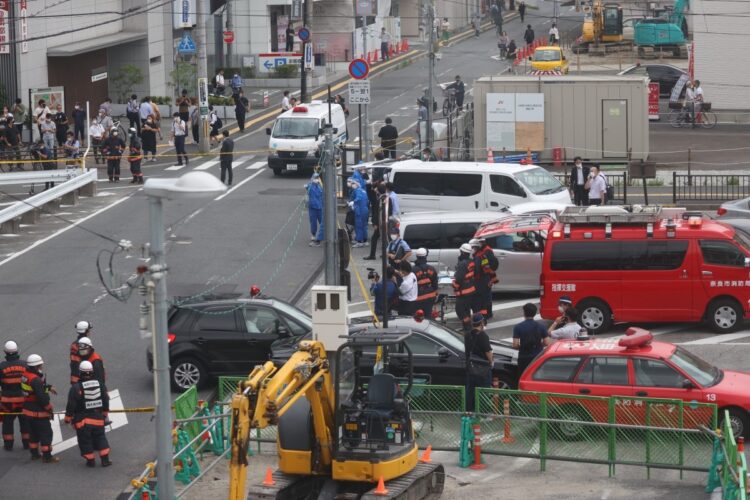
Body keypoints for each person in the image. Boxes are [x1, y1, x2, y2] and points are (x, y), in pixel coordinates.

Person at [64, 360, 111, 468]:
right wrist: (105, 413)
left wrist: (67, 418)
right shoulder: (100, 385)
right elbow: (105, 399)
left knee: (85, 440)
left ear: (80, 372)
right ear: (92, 372)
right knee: (100, 437)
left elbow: (71, 404)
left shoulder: (76, 388)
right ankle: (105, 460)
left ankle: (90, 461)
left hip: (82, 420)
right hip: (98, 418)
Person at [21, 354, 58, 463]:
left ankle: (34, 454)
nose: (42, 366)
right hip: (38, 412)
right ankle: (47, 457)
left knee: (33, 434)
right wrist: (48, 407)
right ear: (37, 366)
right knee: (46, 434)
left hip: (28, 410)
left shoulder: (25, 375)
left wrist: (49, 387)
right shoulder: (35, 379)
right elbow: (40, 395)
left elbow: (34, 390)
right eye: (40, 364)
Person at [0, 341, 30, 451]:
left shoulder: (1, 367)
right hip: (23, 400)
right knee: (25, 421)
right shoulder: (25, 365)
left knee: (7, 422)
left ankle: (8, 445)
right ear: (17, 351)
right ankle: (27, 443)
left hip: (7, 401)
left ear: (5, 352)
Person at [465, 313, 492, 412]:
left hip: (471, 367)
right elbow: (488, 352)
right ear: (481, 323)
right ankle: (483, 412)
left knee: (470, 390)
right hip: (482, 368)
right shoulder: (483, 335)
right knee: (484, 390)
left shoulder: (467, 335)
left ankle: (469, 411)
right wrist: (491, 362)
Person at [513, 303, 549, 374]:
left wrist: (522, 346)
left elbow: (515, 345)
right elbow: (546, 342)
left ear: (524, 313)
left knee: (524, 376)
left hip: (524, 357)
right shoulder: (541, 326)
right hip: (538, 356)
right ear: (535, 313)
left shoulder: (518, 327)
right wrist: (539, 345)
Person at [471, 238, 499, 320]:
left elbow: (479, 269)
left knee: (483, 298)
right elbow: (485, 265)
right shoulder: (482, 253)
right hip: (486, 277)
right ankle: (488, 314)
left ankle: (486, 315)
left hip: (483, 279)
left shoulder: (484, 252)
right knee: (486, 297)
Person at [453, 243, 477, 332]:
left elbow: (459, 278)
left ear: (462, 252)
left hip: (464, 291)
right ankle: (467, 327)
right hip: (470, 289)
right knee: (466, 310)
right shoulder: (471, 261)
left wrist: (454, 285)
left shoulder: (463, 264)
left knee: (460, 310)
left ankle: (468, 328)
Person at [413, 248, 438, 315]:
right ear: (425, 256)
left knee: (418, 317)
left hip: (418, 298)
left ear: (417, 256)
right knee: (428, 316)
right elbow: (435, 285)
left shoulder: (413, 270)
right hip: (430, 297)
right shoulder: (431, 269)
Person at [306, 172, 324, 246]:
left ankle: (322, 236)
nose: (316, 179)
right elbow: (308, 188)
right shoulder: (310, 186)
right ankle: (313, 235)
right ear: (312, 179)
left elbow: (322, 195)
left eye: (317, 178)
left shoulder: (320, 186)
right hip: (312, 207)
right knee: (313, 222)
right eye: (315, 178)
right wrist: (307, 186)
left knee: (322, 222)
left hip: (320, 207)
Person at [350, 178, 369, 247]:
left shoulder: (357, 191)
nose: (352, 185)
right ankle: (364, 240)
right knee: (364, 226)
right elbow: (367, 201)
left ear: (356, 184)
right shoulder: (363, 191)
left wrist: (353, 202)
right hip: (365, 210)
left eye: (353, 183)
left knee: (358, 226)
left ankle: (359, 241)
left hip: (359, 210)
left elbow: (359, 198)